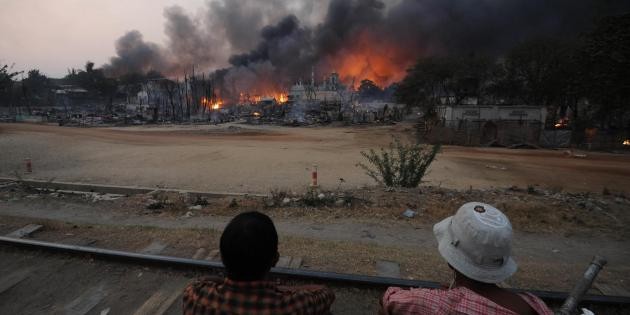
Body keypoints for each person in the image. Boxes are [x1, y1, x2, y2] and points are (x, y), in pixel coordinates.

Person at [381, 202, 553, 315]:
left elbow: (388, 299)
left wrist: (445, 295)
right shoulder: (535, 305)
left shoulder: (432, 304)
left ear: (451, 260)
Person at [183, 211, 335, 315]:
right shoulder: (291, 305)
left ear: (222, 257)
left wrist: (229, 283)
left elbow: (202, 280)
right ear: (275, 259)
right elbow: (325, 292)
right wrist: (281, 289)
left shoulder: (195, 294)